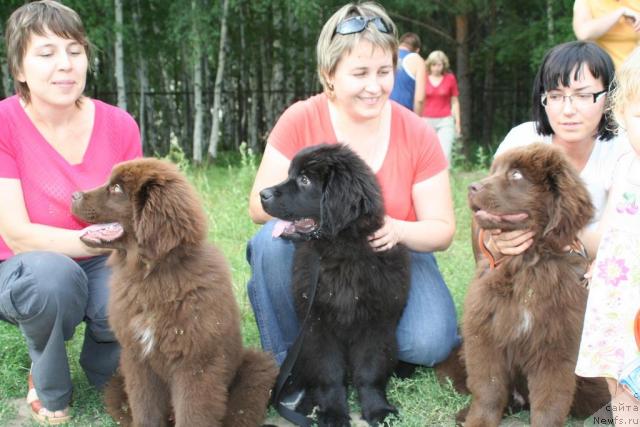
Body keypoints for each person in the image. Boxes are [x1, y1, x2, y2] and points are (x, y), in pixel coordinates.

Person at [246, 0, 459, 398]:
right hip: (318, 250)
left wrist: (397, 227)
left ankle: (365, 350)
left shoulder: (417, 132)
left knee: (430, 343)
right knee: (270, 244)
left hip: (389, 253)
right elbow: (260, 207)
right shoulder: (301, 118)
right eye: (359, 73)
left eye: (384, 71)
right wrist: (313, 223)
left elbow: (442, 230)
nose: (374, 85)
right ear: (329, 74)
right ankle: (291, 363)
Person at [0, 1, 142, 424]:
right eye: (46, 53)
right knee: (53, 278)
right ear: (20, 69)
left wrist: (113, 244)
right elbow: (18, 235)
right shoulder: (3, 123)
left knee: (134, 283)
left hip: (105, 258)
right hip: (23, 266)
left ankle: (105, 365)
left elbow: (134, 217)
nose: (65, 65)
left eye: (74, 50)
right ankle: (48, 381)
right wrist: (95, 239)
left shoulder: (119, 125)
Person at [479, 41, 630, 264]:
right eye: (556, 96)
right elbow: (488, 204)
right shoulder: (522, 139)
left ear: (609, 97)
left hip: (597, 269)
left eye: (583, 95)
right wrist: (493, 243)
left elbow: (612, 240)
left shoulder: (623, 149)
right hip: (528, 268)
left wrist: (540, 227)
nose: (568, 110)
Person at [575, 48, 640, 425]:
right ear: (621, 116)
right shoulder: (624, 165)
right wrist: (600, 258)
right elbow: (614, 225)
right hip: (619, 296)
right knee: (620, 379)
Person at [573, 0, 640, 69]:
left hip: (635, 69)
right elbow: (583, 34)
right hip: (609, 72)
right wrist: (621, 12)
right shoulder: (586, 2)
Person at [422, 50, 461, 164]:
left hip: (445, 120)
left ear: (444, 65)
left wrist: (457, 122)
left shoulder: (450, 78)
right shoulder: (423, 77)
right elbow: (418, 99)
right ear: (429, 65)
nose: (436, 68)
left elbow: (455, 101)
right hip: (426, 120)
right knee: (426, 154)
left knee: (445, 154)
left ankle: (445, 179)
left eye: (439, 65)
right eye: (434, 65)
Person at [389, 32, 427, 115]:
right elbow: (419, 99)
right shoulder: (417, 60)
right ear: (417, 50)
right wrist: (417, 120)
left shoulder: (386, 55)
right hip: (404, 114)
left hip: (382, 113)